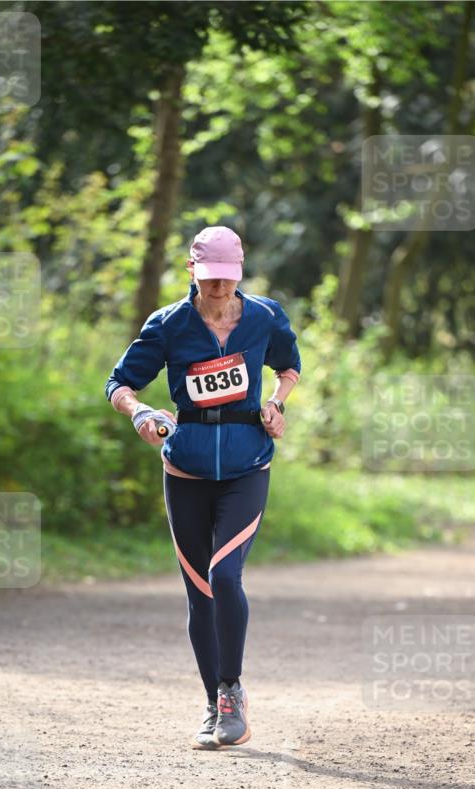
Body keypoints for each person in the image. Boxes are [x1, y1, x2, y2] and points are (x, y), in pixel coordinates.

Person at [105, 226, 301, 746]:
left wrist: (276, 404)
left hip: (247, 466)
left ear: (241, 273)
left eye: (227, 279)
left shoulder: (264, 316)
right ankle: (213, 703)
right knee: (200, 593)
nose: (219, 288)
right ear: (191, 271)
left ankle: (232, 693)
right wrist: (141, 412)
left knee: (224, 575)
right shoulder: (168, 324)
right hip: (185, 472)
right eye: (210, 278)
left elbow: (289, 365)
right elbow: (119, 383)